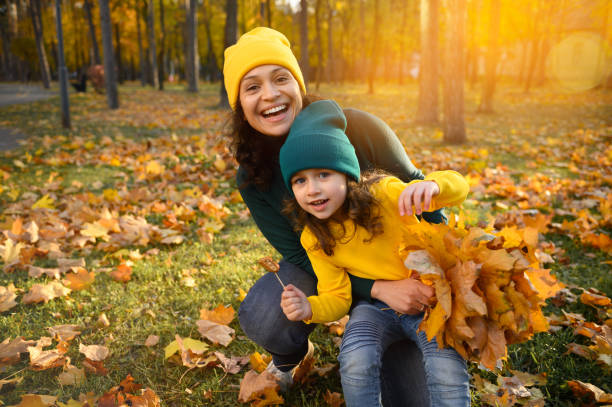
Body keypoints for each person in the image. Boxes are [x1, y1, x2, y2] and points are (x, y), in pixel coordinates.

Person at [223, 26, 449, 405]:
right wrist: (377, 290)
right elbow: (299, 257)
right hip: (328, 270)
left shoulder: (359, 127)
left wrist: (431, 279)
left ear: (298, 85)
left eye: (281, 79)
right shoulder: (253, 177)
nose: (270, 95)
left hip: (403, 270)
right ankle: (292, 358)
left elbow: (424, 199)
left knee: (414, 399)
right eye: (252, 87)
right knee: (266, 312)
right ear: (240, 105)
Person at [278, 99, 471, 406]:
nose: (312, 189)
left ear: (346, 174)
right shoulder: (314, 237)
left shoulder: (386, 195)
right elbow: (338, 297)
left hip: (430, 302)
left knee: (446, 366)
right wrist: (309, 308)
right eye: (300, 181)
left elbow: (459, 185)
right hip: (374, 307)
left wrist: (433, 186)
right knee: (356, 358)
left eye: (323, 175)